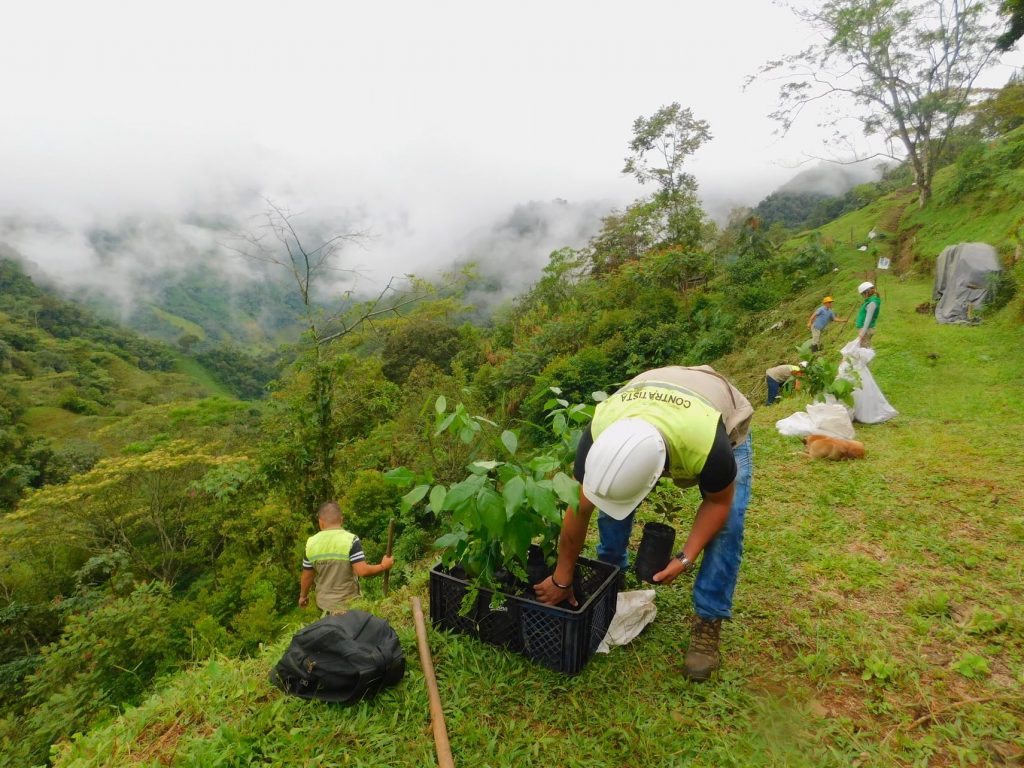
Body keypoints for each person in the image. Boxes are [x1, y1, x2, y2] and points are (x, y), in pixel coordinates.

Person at [534, 365, 754, 682]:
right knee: (613, 495)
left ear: (659, 473)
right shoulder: (599, 436)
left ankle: (708, 620)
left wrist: (686, 557)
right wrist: (562, 578)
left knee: (728, 527)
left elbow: (718, 503)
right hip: (650, 397)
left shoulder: (707, 445)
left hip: (717, 412)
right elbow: (578, 510)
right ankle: (610, 574)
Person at [299, 501, 394, 614]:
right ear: (341, 519)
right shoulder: (351, 540)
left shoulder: (311, 544)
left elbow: (307, 577)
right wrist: (384, 566)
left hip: (324, 606)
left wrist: (303, 596)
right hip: (349, 604)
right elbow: (362, 571)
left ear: (321, 522)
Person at [855, 281, 881, 347]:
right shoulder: (870, 301)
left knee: (864, 350)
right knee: (866, 348)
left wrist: (862, 333)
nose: (862, 296)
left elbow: (868, 319)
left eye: (862, 294)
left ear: (866, 293)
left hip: (866, 329)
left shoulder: (872, 303)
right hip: (866, 329)